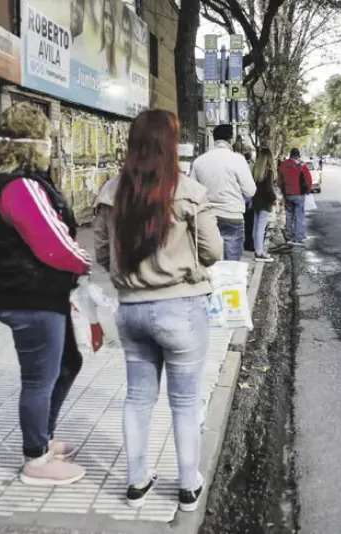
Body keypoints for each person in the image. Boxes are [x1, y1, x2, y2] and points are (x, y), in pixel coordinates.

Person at [94, 110, 223, 511]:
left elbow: (102, 253)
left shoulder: (110, 192)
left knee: (137, 399)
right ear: (170, 146)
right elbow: (213, 251)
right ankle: (187, 487)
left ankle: (137, 483)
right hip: (181, 309)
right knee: (184, 403)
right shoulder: (188, 191)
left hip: (130, 311)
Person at [0, 102, 93, 486]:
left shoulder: (13, 180)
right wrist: (86, 264)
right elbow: (52, 245)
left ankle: (42, 438)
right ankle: (36, 460)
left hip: (34, 293)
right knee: (40, 379)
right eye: (47, 137)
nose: (51, 144)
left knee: (66, 364)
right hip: (30, 297)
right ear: (35, 141)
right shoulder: (21, 186)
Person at [189, 124, 256, 261]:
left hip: (207, 216)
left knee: (210, 262)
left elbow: (192, 191)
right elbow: (250, 190)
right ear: (230, 139)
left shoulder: (199, 161)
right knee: (231, 264)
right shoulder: (238, 160)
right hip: (232, 215)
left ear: (214, 139)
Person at [278, 148, 313, 246]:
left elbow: (279, 181)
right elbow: (308, 180)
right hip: (299, 194)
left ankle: (288, 235)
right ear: (298, 155)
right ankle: (298, 238)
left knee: (289, 215)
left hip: (288, 194)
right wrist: (308, 190)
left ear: (290, 155)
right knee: (299, 216)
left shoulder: (283, 165)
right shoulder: (301, 166)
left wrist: (283, 191)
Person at [252, 147, 278, 262]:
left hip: (256, 201)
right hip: (265, 202)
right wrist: (274, 198)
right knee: (261, 228)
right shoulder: (270, 171)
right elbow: (269, 189)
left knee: (256, 227)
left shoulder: (256, 170)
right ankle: (259, 253)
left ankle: (257, 250)